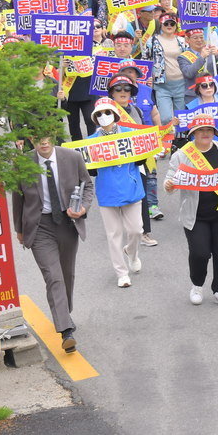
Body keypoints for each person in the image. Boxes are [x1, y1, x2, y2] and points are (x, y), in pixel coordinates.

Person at [11, 134, 94, 353]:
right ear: (32, 141)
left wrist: (83, 207)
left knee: (67, 274)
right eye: (38, 138)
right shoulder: (24, 163)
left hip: (67, 222)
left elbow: (87, 186)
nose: (43, 142)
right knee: (53, 276)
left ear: (54, 137)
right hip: (40, 227)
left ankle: (64, 311)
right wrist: (19, 229)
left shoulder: (72, 157)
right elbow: (17, 197)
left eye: (47, 137)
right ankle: (66, 331)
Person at [165, 116, 218, 307]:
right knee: (200, 252)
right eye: (200, 130)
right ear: (193, 134)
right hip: (195, 213)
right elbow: (170, 180)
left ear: (214, 132)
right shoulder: (181, 155)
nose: (205, 133)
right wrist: (169, 184)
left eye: (209, 130)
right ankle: (197, 285)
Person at [87, 98, 144, 288]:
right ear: (95, 118)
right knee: (114, 234)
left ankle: (132, 252)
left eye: (107, 113)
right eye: (100, 114)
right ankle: (121, 273)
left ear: (115, 114)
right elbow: (90, 170)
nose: (104, 117)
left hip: (131, 187)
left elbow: (142, 158)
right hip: (107, 190)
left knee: (136, 230)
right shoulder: (91, 141)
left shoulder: (131, 134)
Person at [105, 72, 161, 246]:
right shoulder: (105, 112)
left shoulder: (135, 110)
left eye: (127, 88)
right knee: (120, 196)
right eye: (118, 88)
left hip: (136, 160)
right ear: (111, 92)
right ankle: (121, 231)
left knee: (141, 194)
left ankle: (144, 232)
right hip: (115, 161)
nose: (123, 91)